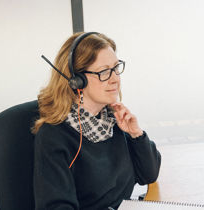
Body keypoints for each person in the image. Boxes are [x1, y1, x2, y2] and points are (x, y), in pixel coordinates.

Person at [32, 32, 161, 210]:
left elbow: (149, 174)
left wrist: (136, 134)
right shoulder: (54, 136)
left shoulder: (112, 119)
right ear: (76, 81)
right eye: (104, 72)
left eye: (116, 68)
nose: (115, 78)